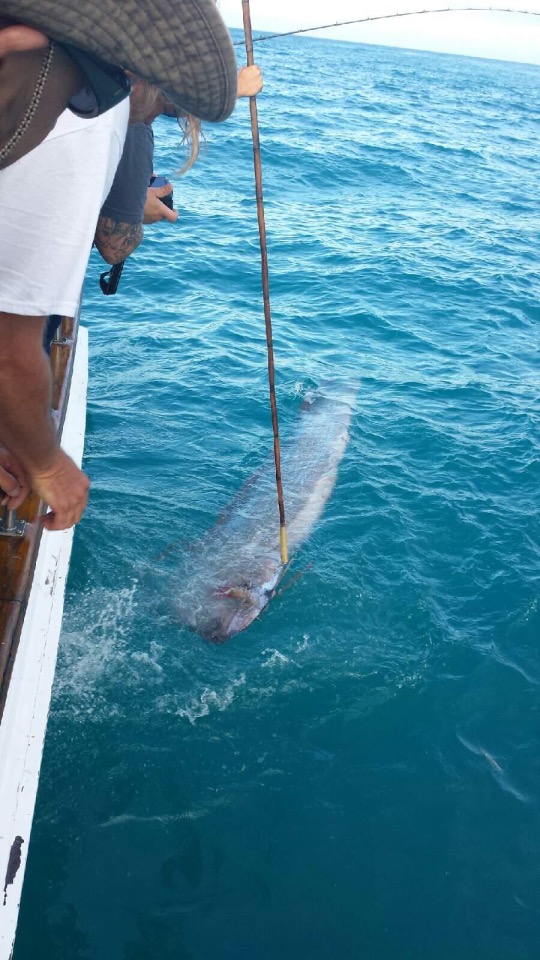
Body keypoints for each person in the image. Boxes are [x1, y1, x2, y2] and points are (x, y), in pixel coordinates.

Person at [0, 0, 238, 530]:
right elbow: (8, 352)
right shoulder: (86, 116)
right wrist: (47, 463)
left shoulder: (29, 54)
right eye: (176, 101)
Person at [95, 66, 264, 267]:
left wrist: (126, 193)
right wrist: (137, 209)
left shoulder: (101, 92)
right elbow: (114, 248)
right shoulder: (133, 126)